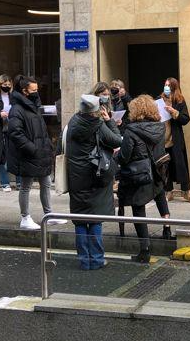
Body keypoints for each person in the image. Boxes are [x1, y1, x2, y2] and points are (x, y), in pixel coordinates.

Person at [66, 95, 123, 270]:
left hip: (76, 177)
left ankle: (84, 260)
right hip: (94, 175)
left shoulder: (73, 122)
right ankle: (97, 259)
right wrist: (109, 121)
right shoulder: (98, 125)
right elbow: (117, 140)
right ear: (96, 111)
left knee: (80, 220)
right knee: (95, 219)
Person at [8, 75, 66, 230]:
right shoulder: (17, 109)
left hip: (41, 152)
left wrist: (47, 146)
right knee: (25, 186)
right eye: (34, 90)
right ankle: (25, 217)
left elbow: (41, 130)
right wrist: (32, 149)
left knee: (46, 184)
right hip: (29, 154)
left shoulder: (33, 106)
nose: (37, 92)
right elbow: (15, 133)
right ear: (24, 91)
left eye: (37, 89)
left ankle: (49, 214)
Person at [118, 94, 170, 263]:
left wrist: (116, 154)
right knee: (160, 194)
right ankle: (167, 228)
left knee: (138, 207)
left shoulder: (131, 131)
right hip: (158, 169)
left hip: (141, 174)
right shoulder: (160, 127)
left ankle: (145, 250)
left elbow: (125, 157)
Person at [161, 78, 190, 203]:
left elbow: (186, 119)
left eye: (169, 85)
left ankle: (186, 192)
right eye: (165, 85)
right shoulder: (159, 100)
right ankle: (168, 192)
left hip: (175, 139)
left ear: (174, 87)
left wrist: (174, 112)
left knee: (181, 166)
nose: (166, 87)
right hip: (162, 140)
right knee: (165, 167)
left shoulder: (179, 100)